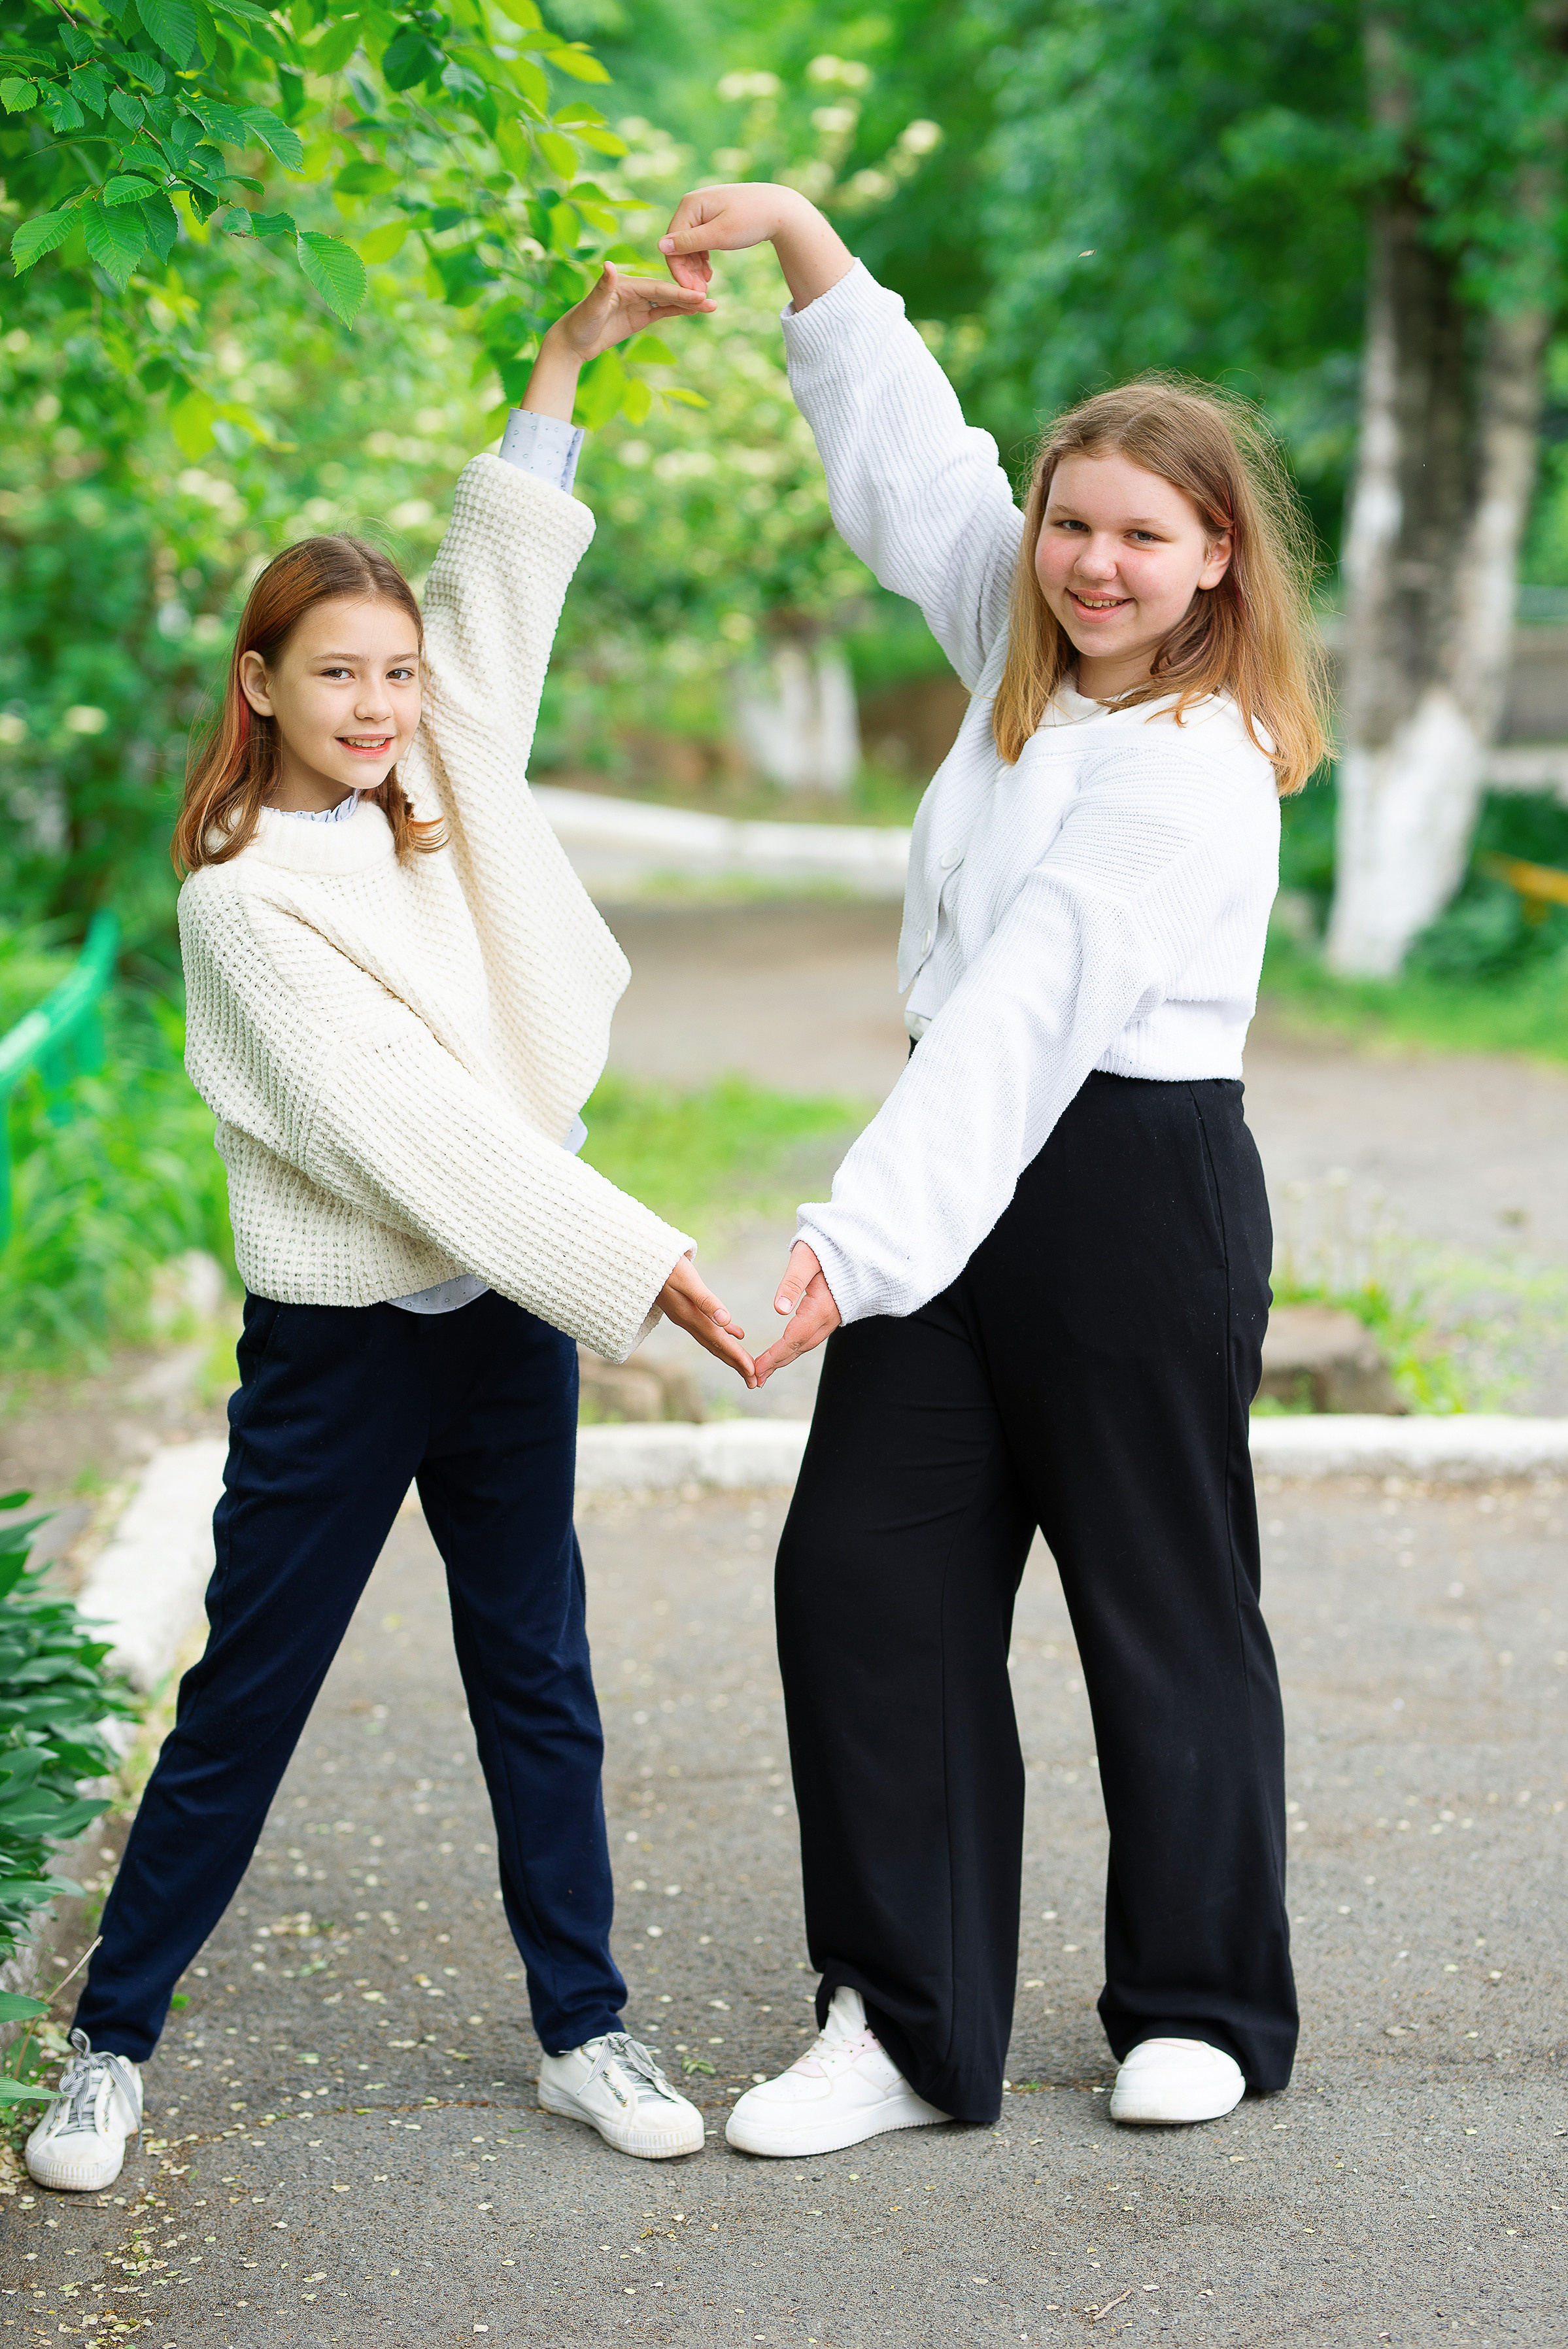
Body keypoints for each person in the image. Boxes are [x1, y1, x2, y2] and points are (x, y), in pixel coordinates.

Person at [25, 262, 758, 2195]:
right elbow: (414, 1133)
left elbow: (494, 594)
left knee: (540, 1673)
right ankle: (109, 2043)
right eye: (335, 671)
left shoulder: (443, 774)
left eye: (397, 670)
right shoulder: (239, 903)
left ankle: (586, 2028)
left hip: (499, 1327)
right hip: (353, 1343)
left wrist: (562, 369)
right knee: (248, 1691)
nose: (378, 702)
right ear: (259, 685)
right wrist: (651, 1271)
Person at [656, 184, 1329, 2158]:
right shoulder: (1023, 651)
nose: (1093, 562)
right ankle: (897, 2020)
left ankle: (1200, 2003)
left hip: (1127, 1183)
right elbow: (918, 470)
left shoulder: (1195, 760)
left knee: (1160, 1599)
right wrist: (804, 242)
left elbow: (1037, 1009)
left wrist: (842, 1251)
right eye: (1074, 523)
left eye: (1142, 534)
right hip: (961, 1186)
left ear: (1216, 559)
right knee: (862, 1579)